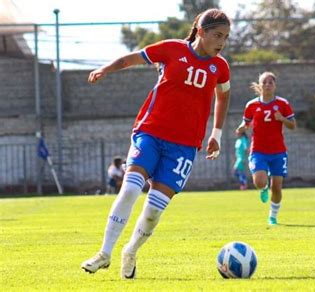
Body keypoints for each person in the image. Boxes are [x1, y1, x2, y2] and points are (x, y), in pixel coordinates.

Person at [81, 8, 231, 279]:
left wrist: (216, 135)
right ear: (201, 31)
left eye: (226, 37)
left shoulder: (219, 67)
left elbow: (223, 97)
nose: (222, 42)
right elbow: (132, 58)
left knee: (152, 212)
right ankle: (104, 253)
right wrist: (105, 68)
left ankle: (131, 251)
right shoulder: (171, 49)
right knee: (129, 190)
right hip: (150, 133)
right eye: (217, 35)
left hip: (184, 146)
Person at [235, 72, 296, 226]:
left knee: (277, 187)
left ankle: (273, 216)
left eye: (271, 82)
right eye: (265, 82)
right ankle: (263, 188)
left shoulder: (283, 104)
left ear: (275, 86)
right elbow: (246, 123)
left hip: (278, 151)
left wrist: (282, 119)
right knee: (260, 181)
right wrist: (241, 128)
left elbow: (293, 125)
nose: (268, 84)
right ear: (259, 85)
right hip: (258, 151)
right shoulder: (252, 105)